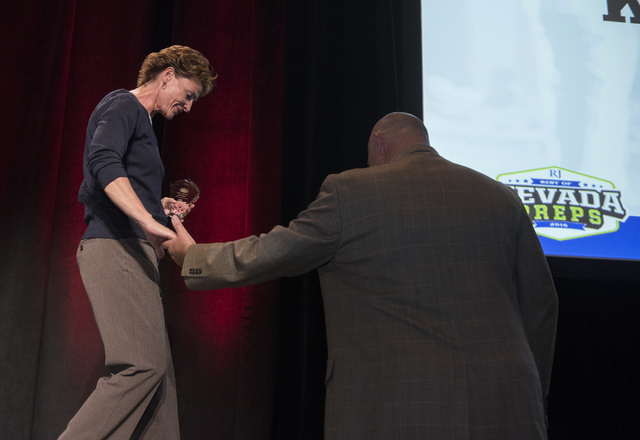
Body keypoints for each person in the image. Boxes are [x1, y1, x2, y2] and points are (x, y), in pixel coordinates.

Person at [164, 112, 559, 439]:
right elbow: (541, 305)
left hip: (398, 407)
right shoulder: (501, 197)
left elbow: (270, 253)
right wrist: (529, 391)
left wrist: (192, 256)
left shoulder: (350, 191)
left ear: (379, 145)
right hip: (512, 405)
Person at [59, 46, 216, 440]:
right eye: (189, 94)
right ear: (167, 76)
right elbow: (103, 160)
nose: (189, 107)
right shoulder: (125, 105)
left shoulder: (142, 122)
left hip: (134, 251)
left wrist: (156, 207)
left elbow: (121, 179)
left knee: (160, 387)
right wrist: (147, 219)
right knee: (141, 366)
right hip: (115, 248)